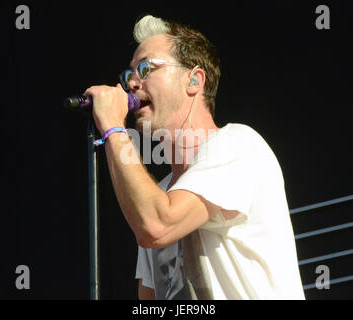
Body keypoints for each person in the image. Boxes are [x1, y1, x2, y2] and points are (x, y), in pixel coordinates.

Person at [84, 14, 305, 300]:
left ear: (194, 79)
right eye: (129, 76)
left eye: (145, 69)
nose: (133, 84)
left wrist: (114, 128)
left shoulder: (239, 145)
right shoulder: (157, 194)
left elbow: (158, 225)